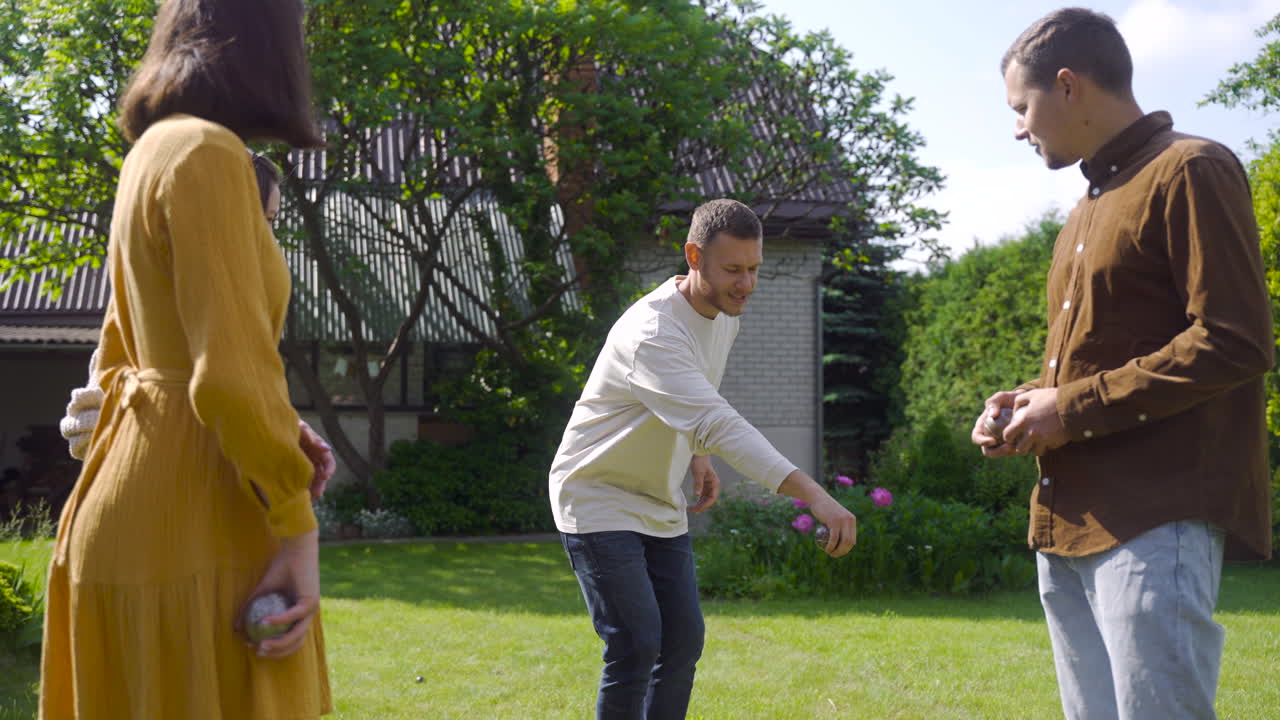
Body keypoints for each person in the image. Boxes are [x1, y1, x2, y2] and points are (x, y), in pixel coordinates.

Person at [973, 8, 1273, 720]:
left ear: (1068, 86)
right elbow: (1101, 362)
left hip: (1153, 517)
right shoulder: (1085, 208)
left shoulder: (1192, 169)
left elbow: (1235, 339)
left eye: (1023, 108)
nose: (1019, 128)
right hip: (1068, 520)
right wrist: (1025, 403)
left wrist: (1066, 408)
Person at [40, 0, 334, 717]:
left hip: (127, 510)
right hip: (194, 520)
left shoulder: (154, 150)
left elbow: (115, 363)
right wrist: (297, 529)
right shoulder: (208, 155)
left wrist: (275, 427)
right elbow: (228, 375)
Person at [550, 198, 857, 720]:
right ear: (694, 256)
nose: (746, 284)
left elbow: (698, 401)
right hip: (596, 494)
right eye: (733, 269)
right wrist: (816, 495)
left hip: (657, 498)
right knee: (637, 643)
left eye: (753, 269)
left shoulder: (720, 317)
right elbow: (718, 419)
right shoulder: (651, 332)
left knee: (683, 642)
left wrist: (697, 458)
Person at [59, 153, 336, 494]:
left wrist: (280, 427)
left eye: (272, 221)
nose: (267, 238)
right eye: (254, 218)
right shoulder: (160, 301)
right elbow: (87, 427)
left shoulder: (237, 312)